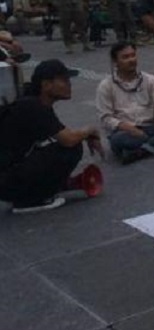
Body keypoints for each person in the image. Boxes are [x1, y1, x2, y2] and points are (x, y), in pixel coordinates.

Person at [0, 60, 103, 214]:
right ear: (47, 84)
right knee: (70, 149)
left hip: (7, 175)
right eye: (64, 80)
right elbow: (68, 139)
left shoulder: (33, 101)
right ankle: (30, 200)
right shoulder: (33, 106)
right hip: (7, 180)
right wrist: (90, 131)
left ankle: (40, 190)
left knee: (59, 146)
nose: (69, 85)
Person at [96, 42, 154, 164]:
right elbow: (106, 118)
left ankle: (141, 152)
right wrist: (129, 128)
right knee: (118, 140)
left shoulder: (149, 79)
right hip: (126, 131)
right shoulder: (106, 86)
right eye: (125, 57)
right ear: (115, 61)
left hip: (150, 126)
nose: (131, 60)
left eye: (133, 55)